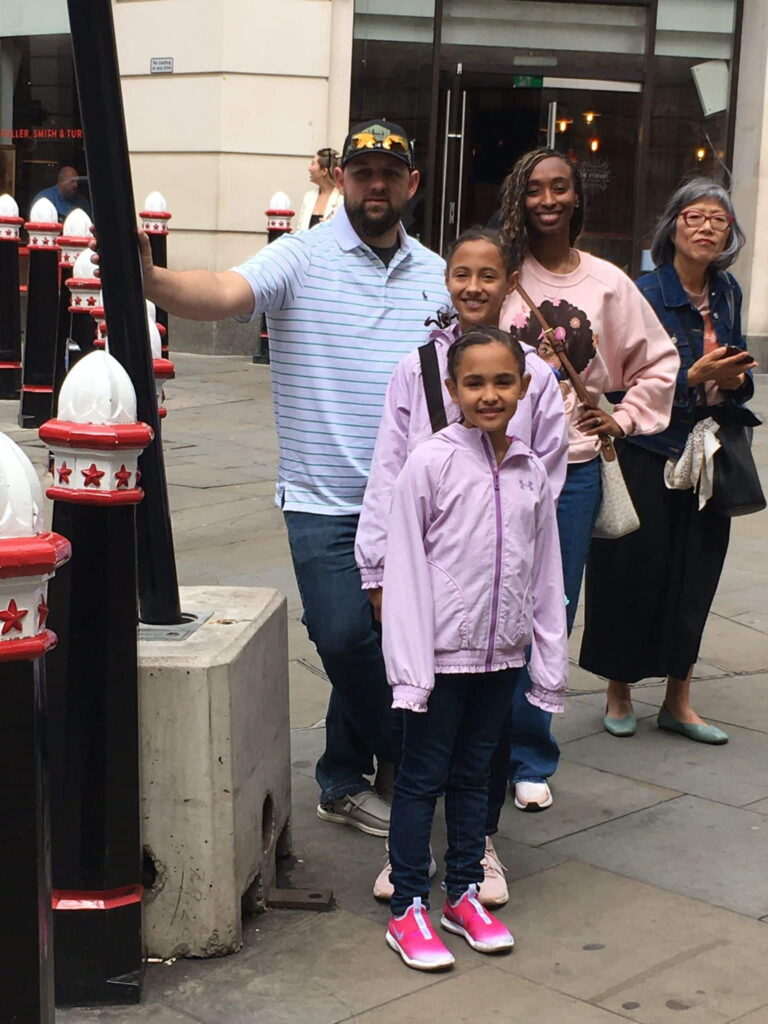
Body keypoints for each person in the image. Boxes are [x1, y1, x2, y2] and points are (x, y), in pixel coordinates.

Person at [111, 119, 449, 838]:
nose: (376, 185)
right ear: (342, 181)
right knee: (343, 636)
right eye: (362, 173)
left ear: (412, 183)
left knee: (394, 641)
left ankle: (340, 779)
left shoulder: (435, 272)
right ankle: (410, 756)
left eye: (389, 174)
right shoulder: (300, 255)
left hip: (413, 506)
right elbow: (223, 293)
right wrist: (153, 279)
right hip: (324, 498)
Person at [356, 225, 567, 905]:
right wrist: (380, 571)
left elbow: (545, 481)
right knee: (423, 736)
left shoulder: (534, 371)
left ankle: (477, 850)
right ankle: (410, 859)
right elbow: (388, 476)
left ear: (510, 282)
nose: (474, 286)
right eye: (460, 274)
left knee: (485, 745)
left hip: (497, 591)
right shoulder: (417, 369)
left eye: (488, 274)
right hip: (436, 583)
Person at [381, 326, 567, 972]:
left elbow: (545, 574)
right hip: (439, 662)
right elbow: (403, 570)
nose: (489, 394)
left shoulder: (531, 471)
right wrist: (410, 670)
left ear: (524, 389)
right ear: (454, 389)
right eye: (475, 382)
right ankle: (408, 905)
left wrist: (546, 662)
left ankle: (462, 892)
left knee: (475, 777)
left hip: (501, 659)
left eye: (503, 382)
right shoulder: (429, 464)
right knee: (421, 777)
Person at [498, 148, 680, 807]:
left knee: (553, 610)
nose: (547, 199)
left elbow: (659, 360)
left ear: (577, 199)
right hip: (496, 470)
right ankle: (484, 743)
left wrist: (624, 420)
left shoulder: (607, 284)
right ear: (519, 198)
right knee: (490, 604)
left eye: (560, 188)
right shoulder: (501, 274)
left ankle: (529, 757)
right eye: (535, 189)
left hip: (573, 474)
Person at [580, 179, 756, 743]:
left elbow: (737, 376)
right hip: (647, 449)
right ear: (673, 226)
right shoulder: (644, 291)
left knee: (696, 573)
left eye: (719, 221)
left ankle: (679, 700)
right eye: (696, 217)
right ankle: (619, 690)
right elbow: (613, 379)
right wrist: (690, 377)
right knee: (631, 570)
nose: (707, 228)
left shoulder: (727, 292)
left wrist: (732, 380)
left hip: (709, 451)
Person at [295, 148, 343, 230]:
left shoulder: (342, 199)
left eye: (313, 164)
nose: (309, 168)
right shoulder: (308, 197)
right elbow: (299, 231)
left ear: (324, 171)